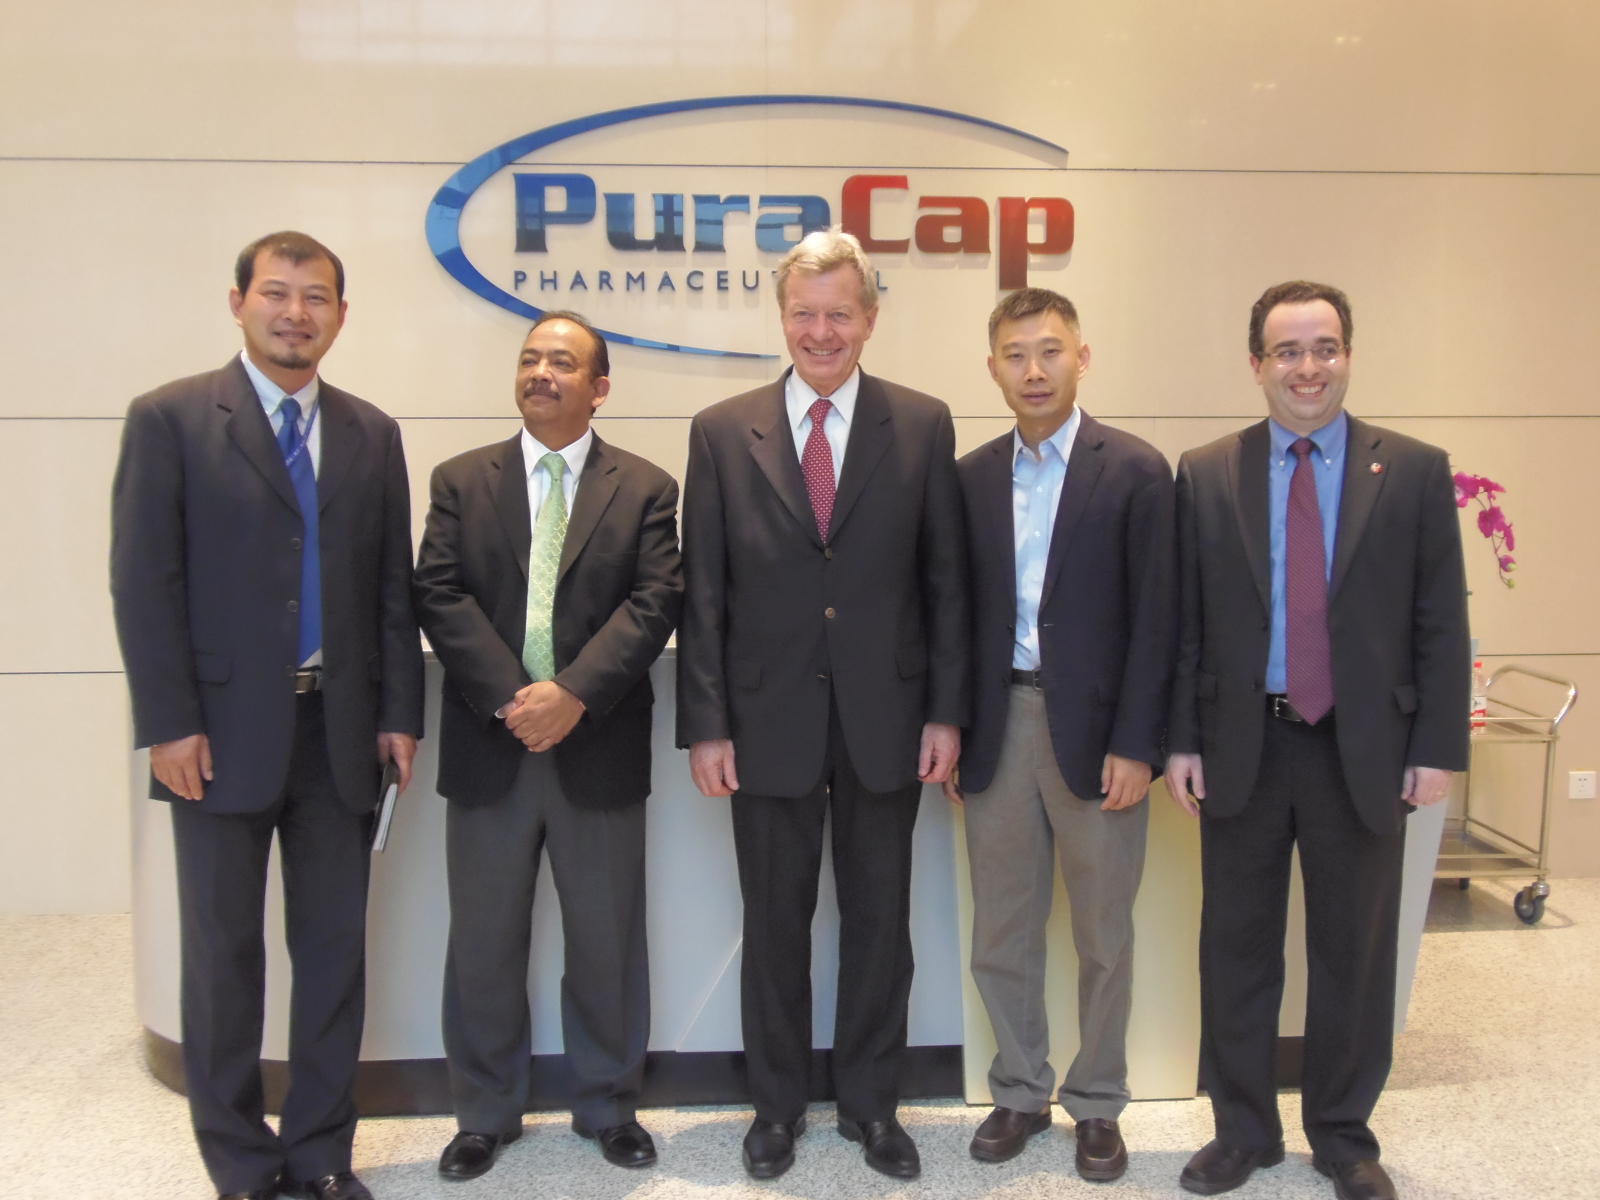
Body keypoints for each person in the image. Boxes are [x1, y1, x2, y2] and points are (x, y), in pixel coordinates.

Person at [111, 231, 424, 1200]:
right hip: (213, 736)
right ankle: (242, 1162)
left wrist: (399, 714)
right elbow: (144, 582)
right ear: (238, 301)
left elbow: (391, 588)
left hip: (340, 733)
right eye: (277, 293)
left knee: (332, 955)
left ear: (341, 314)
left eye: (316, 297)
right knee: (223, 958)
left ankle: (323, 1154)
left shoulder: (372, 432)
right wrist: (168, 723)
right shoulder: (169, 419)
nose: (297, 313)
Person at [1165, 282, 1469, 1200]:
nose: (1308, 367)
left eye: (1325, 348)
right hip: (1244, 745)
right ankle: (1243, 1132)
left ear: (1348, 356)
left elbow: (1439, 620)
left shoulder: (1411, 470)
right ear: (1256, 364)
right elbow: (1187, 623)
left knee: (1354, 954)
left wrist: (1438, 745)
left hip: (1361, 749)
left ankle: (1342, 1136)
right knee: (1237, 948)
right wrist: (1182, 740)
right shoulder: (1207, 472)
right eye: (1288, 351)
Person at [676, 228, 968, 1181]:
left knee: (882, 924)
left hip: (890, 721)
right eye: (804, 313)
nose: (821, 331)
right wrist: (707, 725)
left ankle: (873, 1108)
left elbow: (945, 585)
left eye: (840, 313)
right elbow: (703, 593)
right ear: (782, 318)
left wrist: (946, 713)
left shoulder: (921, 424)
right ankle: (776, 1108)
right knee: (774, 924)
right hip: (765, 723)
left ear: (870, 319)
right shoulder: (723, 431)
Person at [412, 311, 682, 1180]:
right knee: (483, 941)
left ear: (599, 389)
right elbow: (439, 592)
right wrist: (514, 697)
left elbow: (654, 601)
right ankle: (484, 1113)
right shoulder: (462, 480)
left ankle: (608, 1105)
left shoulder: (646, 488)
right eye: (531, 358)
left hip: (596, 744)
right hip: (491, 746)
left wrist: (572, 695)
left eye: (562, 363)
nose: (541, 373)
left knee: (606, 939)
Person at [948, 288, 1175, 1180]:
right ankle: (1018, 1090)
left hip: (1103, 735)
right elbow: (951, 615)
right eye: (1015, 354)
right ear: (992, 368)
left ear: (1083, 357)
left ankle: (1098, 1101)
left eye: (1050, 351)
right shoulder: (968, 477)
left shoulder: (1136, 470)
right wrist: (953, 727)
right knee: (1002, 929)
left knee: (1104, 934)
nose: (1033, 370)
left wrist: (1139, 743)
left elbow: (1159, 619)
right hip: (999, 724)